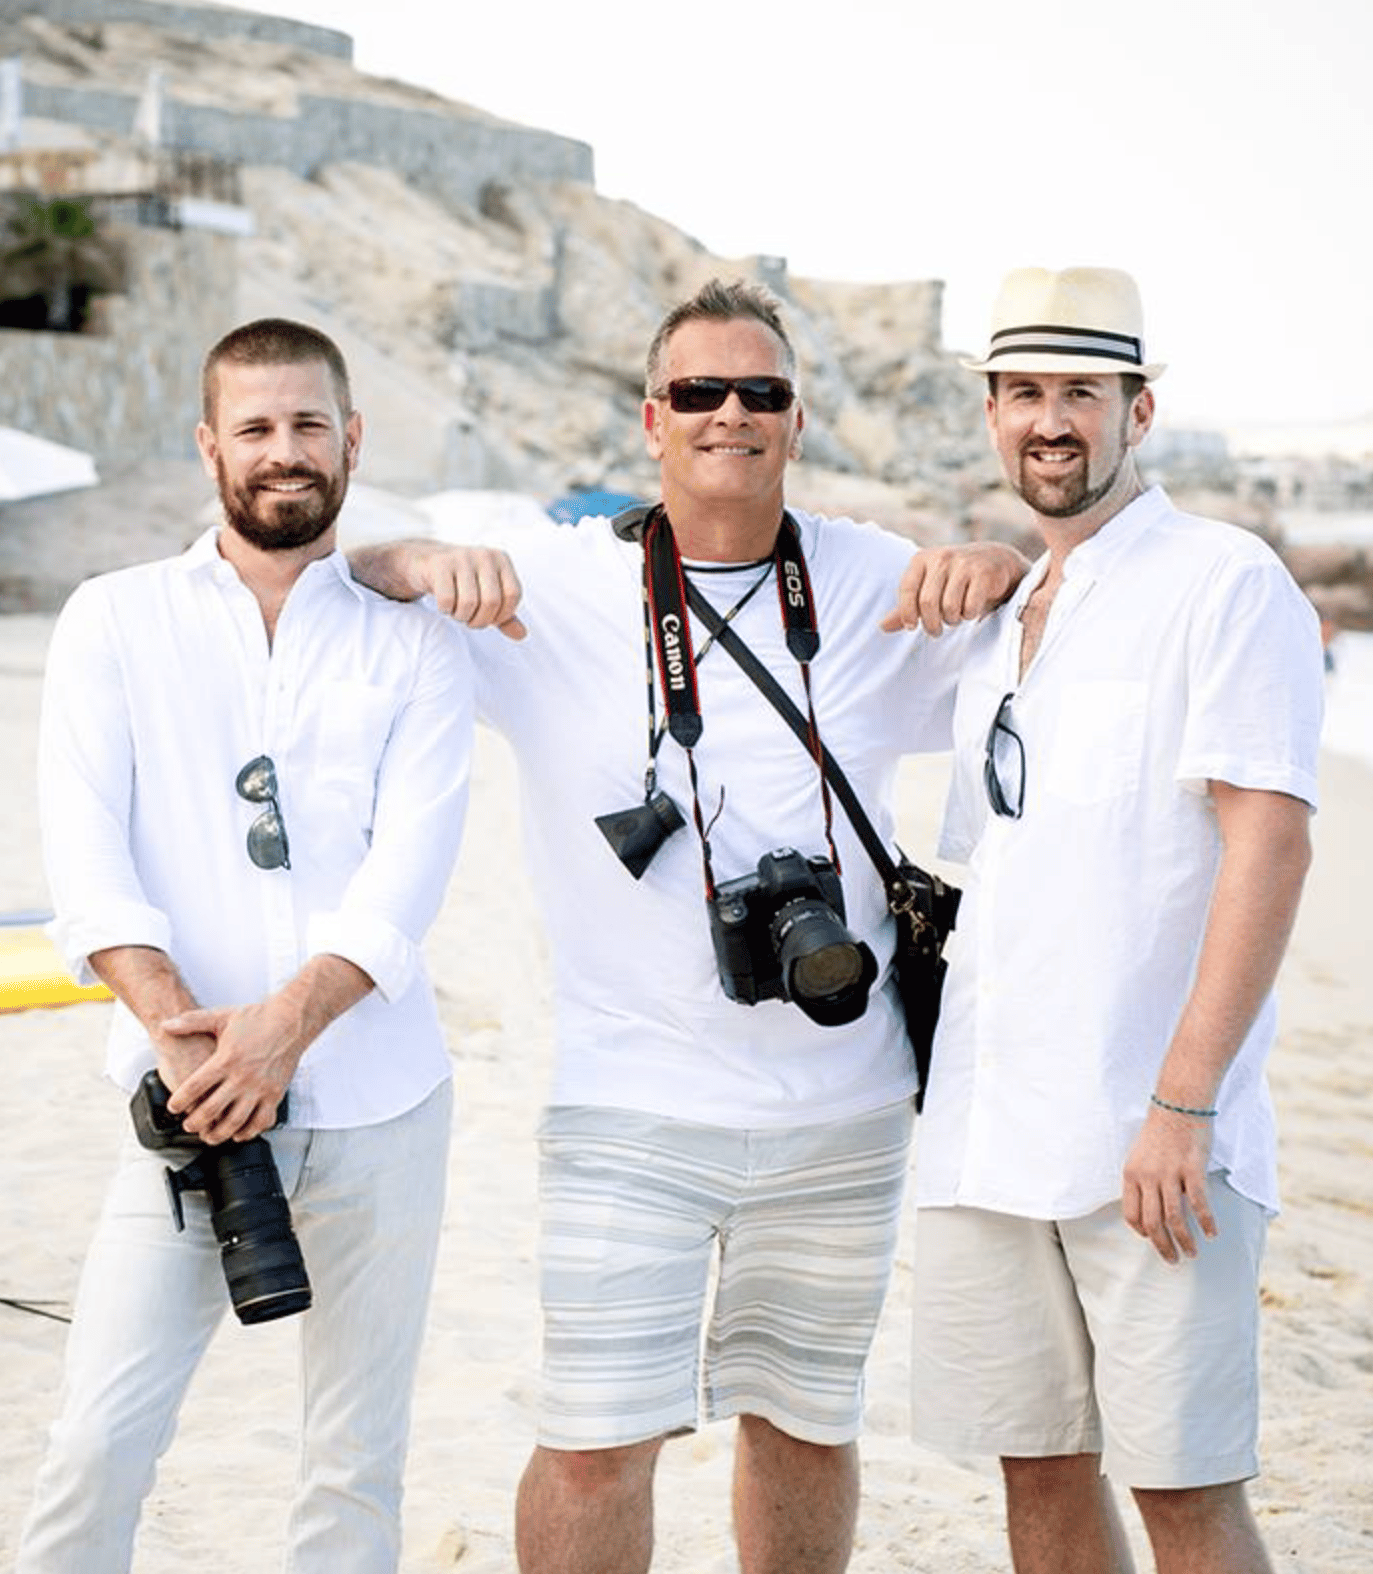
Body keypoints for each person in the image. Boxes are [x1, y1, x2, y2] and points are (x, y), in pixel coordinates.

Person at [351, 278, 1025, 1574]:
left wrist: (1000, 562)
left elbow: (1041, 645)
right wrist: (412, 559)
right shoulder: (548, 584)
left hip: (843, 1097)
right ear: (649, 418)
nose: (732, 414)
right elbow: (350, 583)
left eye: (760, 393)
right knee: (596, 1436)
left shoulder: (874, 577)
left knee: (805, 1426)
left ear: (796, 417)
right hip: (628, 1098)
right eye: (701, 393)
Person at [14, 318, 473, 1573]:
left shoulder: (417, 632)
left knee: (352, 1464)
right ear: (209, 443)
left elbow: (407, 873)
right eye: (256, 427)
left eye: (308, 424)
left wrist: (281, 1028)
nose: (285, 452)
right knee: (97, 1442)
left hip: (382, 1103)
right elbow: (88, 862)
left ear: (351, 439)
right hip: (187, 1101)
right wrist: (194, 1044)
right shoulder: (111, 619)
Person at [909, 266, 1324, 1574]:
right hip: (984, 1122)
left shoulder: (1222, 580)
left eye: (1078, 393)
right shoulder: (1006, 611)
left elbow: (1271, 837)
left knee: (1184, 1488)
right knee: (1036, 1470)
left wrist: (1184, 1100)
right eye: (1023, 392)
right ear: (988, 413)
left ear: (1136, 410)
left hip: (1152, 1136)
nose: (1049, 421)